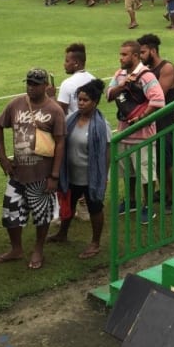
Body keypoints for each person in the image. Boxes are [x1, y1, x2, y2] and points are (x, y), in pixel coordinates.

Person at [0, 68, 66, 270]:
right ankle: (16, 249)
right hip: (18, 173)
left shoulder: (54, 110)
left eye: (36, 84)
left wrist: (54, 175)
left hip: (42, 174)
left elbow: (60, 143)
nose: (31, 87)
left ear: (46, 86)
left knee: (42, 215)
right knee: (10, 213)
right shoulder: (16, 103)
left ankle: (38, 249)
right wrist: (2, 158)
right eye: (29, 83)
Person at [50, 79, 111, 259]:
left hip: (90, 177)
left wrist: (104, 176)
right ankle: (63, 233)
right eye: (79, 99)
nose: (81, 103)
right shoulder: (71, 119)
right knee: (68, 203)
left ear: (95, 102)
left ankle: (95, 242)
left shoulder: (102, 126)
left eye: (85, 100)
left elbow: (106, 153)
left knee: (95, 208)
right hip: (71, 174)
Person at [107, 40, 166, 224]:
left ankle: (147, 206)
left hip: (143, 136)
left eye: (124, 55)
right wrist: (123, 85)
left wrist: (140, 119)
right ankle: (131, 201)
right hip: (125, 133)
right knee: (128, 172)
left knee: (146, 174)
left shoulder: (146, 76)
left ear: (135, 55)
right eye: (120, 54)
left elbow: (158, 101)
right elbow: (109, 95)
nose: (121, 58)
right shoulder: (120, 74)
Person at [138, 34, 174, 207]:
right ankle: (161, 193)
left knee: (165, 162)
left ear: (153, 51)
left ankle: (173, 198)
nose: (140, 56)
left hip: (164, 122)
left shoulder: (166, 68)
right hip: (151, 123)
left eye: (143, 52)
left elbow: (157, 96)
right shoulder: (145, 70)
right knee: (153, 162)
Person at [57, 43, 96, 116]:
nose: (64, 64)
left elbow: (59, 113)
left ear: (76, 63)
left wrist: (51, 96)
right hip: (91, 124)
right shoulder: (93, 79)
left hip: (73, 126)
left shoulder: (67, 84)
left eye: (67, 61)